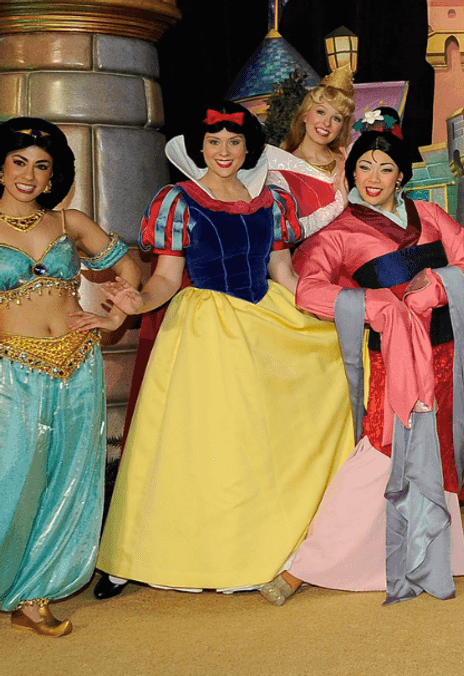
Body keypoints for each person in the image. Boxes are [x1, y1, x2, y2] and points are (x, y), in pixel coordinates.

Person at [93, 101, 355, 595]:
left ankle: (260, 547)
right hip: (206, 329)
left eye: (234, 142)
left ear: (248, 147)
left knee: (259, 437)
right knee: (197, 444)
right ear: (200, 147)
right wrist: (137, 301)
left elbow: (284, 271)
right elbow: (167, 278)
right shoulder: (177, 199)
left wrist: (327, 310)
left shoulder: (270, 201)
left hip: (264, 320)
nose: (224, 151)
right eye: (214, 142)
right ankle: (135, 558)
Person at [259, 124, 464, 605]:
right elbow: (309, 288)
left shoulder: (429, 215)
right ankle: (304, 568)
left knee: (439, 452)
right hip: (393, 360)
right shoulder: (340, 232)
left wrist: (436, 288)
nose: (373, 177)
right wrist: (370, 304)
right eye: (364, 166)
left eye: (385, 168)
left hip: (443, 351)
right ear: (351, 172)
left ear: (402, 175)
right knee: (381, 455)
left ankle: (434, 560)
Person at [0, 118, 139, 636]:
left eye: (42, 166)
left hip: (77, 365)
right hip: (11, 368)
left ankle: (32, 595)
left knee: (65, 480)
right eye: (20, 162)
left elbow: (131, 271)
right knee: (10, 475)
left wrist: (115, 316)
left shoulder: (69, 222)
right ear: (1, 165)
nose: (30, 175)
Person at [266, 65, 355, 236]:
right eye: (321, 112)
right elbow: (283, 232)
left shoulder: (349, 159)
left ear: (342, 127)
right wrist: (338, 205)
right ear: (306, 115)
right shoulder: (280, 168)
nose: (326, 123)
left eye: (336, 118)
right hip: (312, 258)